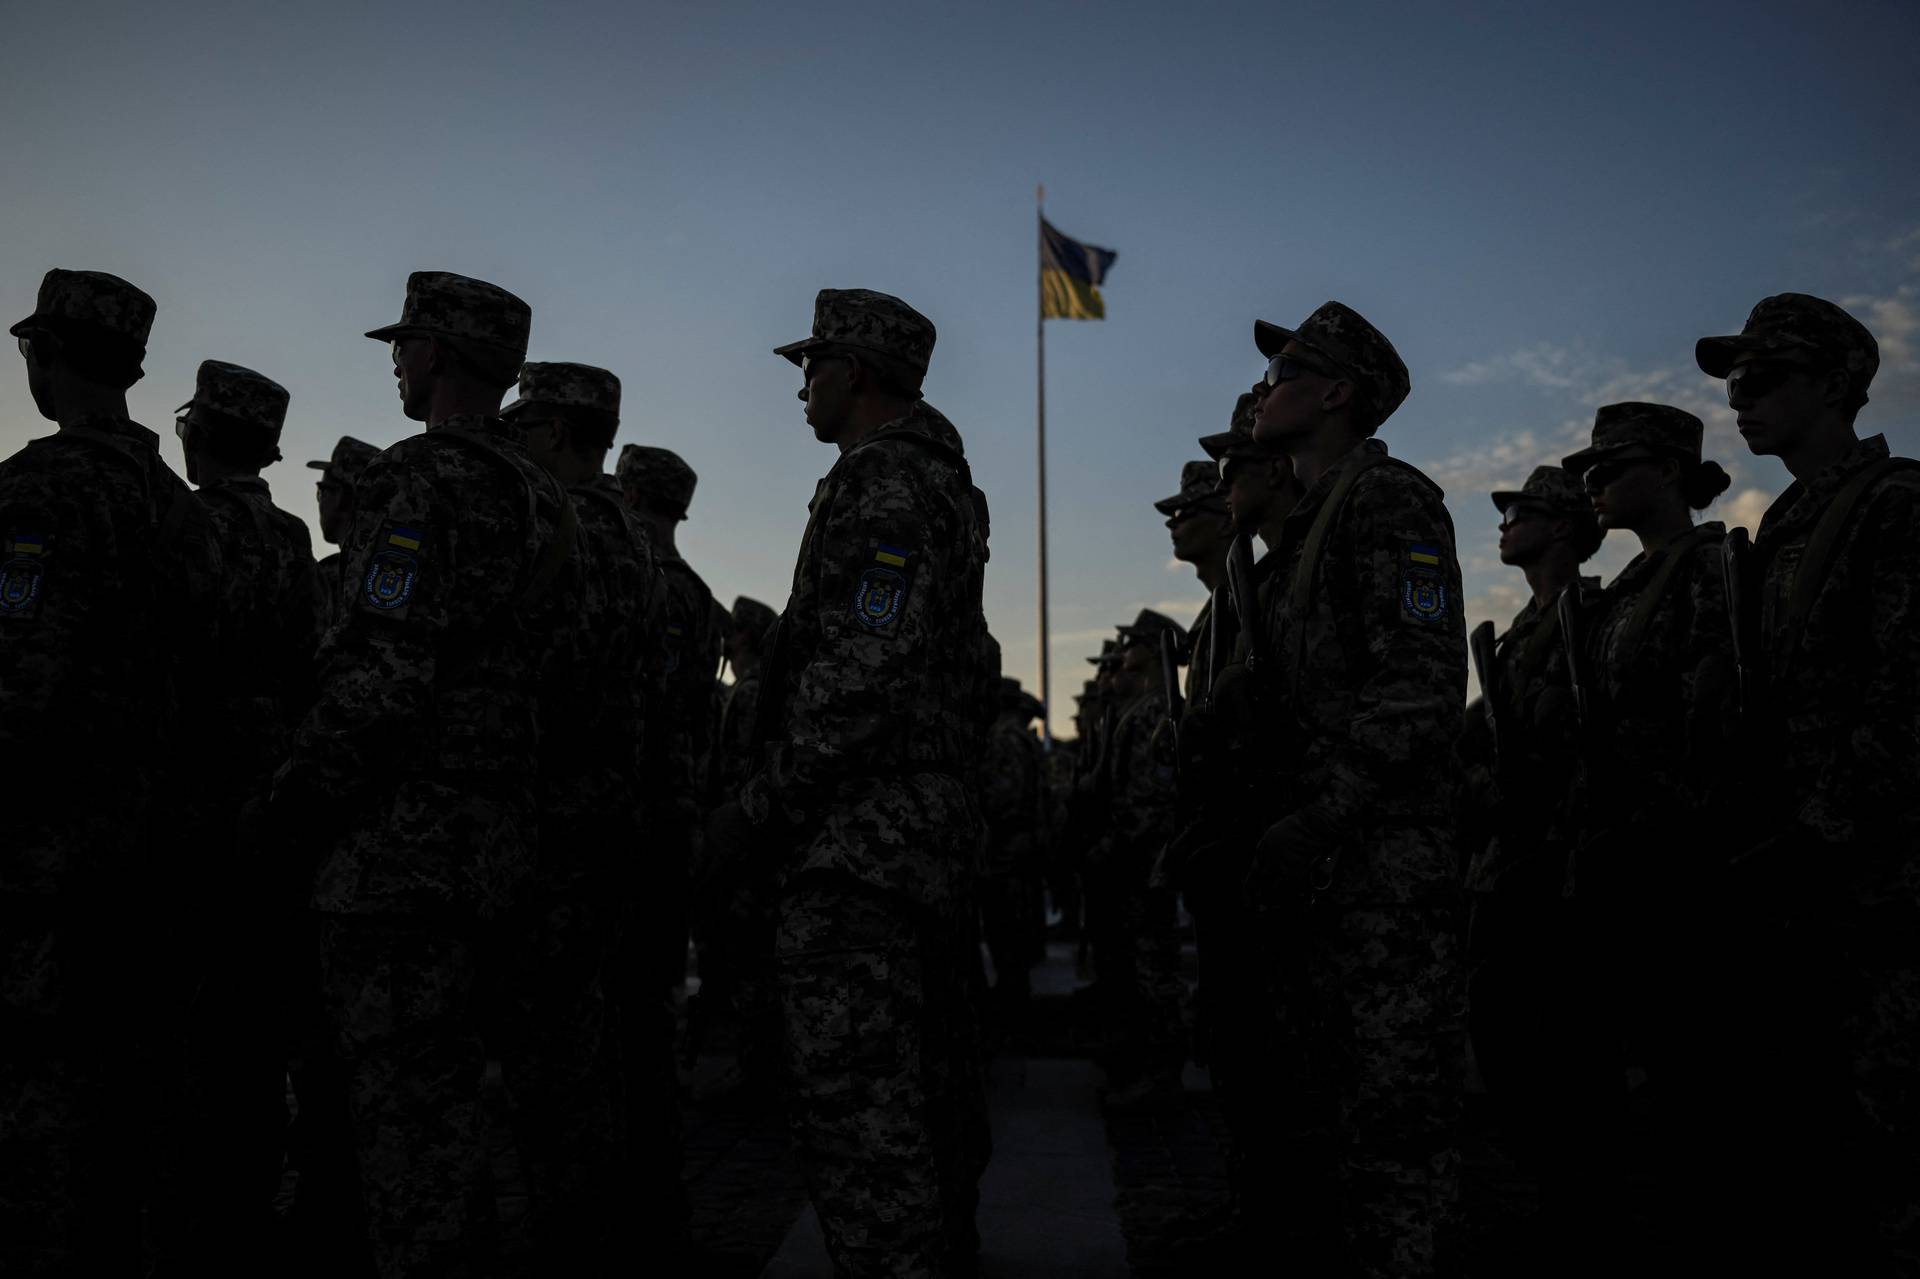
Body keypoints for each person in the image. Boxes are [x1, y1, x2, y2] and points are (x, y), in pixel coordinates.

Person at [272, 271, 588, 1275]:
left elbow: (379, 682)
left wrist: (281, 812)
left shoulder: (420, 479)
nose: (397, 363)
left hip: (402, 858)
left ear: (439, 356)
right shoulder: (545, 499)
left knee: (407, 1140)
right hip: (498, 848)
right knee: (454, 1128)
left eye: (405, 345)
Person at [712, 287, 992, 1277]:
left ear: (857, 375)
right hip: (896, 845)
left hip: (861, 854)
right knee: (917, 1116)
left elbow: (866, 674)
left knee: (870, 1136)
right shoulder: (918, 479)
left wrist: (758, 806)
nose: (802, 386)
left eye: (812, 365)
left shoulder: (889, 484)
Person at [1695, 293, 1920, 1272]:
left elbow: (1906, 693)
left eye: (1763, 379)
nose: (1740, 401)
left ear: (1834, 385)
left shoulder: (1896, 502)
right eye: (1734, 384)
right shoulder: (1779, 527)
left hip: (1874, 887)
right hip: (1789, 885)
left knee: (1890, 1150)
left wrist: (1821, 834)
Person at [0, 268, 218, 1275]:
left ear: (48, 359)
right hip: (154, 843)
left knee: (37, 1113)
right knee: (126, 1099)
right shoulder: (177, 505)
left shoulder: (41, 489)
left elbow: (20, 679)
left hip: (43, 850)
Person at [1244, 299, 1467, 1275]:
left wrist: (1324, 815)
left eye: (1284, 372)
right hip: (1331, 873)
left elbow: (1417, 685)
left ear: (1336, 393)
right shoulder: (1306, 528)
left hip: (1383, 874)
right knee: (1335, 1128)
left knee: (1392, 1135)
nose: (1262, 388)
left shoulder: (1391, 502)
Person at [505, 359, 677, 1263]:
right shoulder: (634, 541)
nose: (515, 438)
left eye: (526, 427)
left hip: (554, 822)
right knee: (594, 1045)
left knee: (550, 1059)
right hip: (613, 818)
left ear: (558, 434)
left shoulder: (563, 528)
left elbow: (545, 681)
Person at [172, 359, 322, 1262]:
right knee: (259, 1023)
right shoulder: (293, 535)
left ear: (204, 431)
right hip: (273, 801)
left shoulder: (196, 528)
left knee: (199, 1026)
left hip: (199, 797)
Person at [1457, 464, 1615, 1262]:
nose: (1503, 523)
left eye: (1517, 512)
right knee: (1503, 1033)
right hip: (1506, 859)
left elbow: (1571, 745)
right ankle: (1558, 1190)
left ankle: (1576, 1204)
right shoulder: (1521, 630)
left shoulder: (1592, 618)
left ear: (1560, 526)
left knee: (1560, 1050)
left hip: (1558, 864)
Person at [617, 441, 719, 991]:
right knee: (657, 979)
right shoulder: (699, 595)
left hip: (631, 803)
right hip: (676, 806)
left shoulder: (641, 581)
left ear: (630, 495)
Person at [1092, 608, 1189, 1115]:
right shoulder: (1145, 709)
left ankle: (1163, 1076)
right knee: (1142, 966)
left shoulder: (1157, 711)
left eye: (1132, 643)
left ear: (1151, 649)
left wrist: (1117, 844)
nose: (1123, 653)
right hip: (1135, 859)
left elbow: (1152, 799)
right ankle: (1150, 1070)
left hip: (1146, 861)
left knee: (1156, 971)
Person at [687, 593, 782, 1103]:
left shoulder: (748, 694)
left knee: (749, 959)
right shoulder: (752, 690)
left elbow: (742, 774)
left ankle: (759, 1069)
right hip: (740, 840)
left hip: (740, 843)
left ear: (743, 636)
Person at [975, 677, 1049, 1042]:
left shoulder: (1005, 739)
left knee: (1006, 936)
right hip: (1018, 849)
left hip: (1006, 850)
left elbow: (1005, 797)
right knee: (1013, 935)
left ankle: (1014, 1017)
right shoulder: (1022, 739)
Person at [308, 435, 382, 631]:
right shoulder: (397, 569)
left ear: (340, 496)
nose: (320, 502)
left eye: (322, 491)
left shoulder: (327, 578)